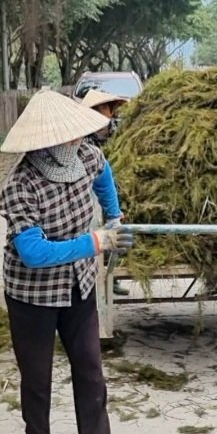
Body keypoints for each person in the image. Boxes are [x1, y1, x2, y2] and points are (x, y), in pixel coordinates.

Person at [0, 90, 134, 434]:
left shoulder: (87, 157)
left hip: (79, 284)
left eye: (77, 133)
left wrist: (114, 216)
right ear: (46, 141)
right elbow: (34, 253)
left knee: (90, 364)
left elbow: (103, 175)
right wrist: (96, 241)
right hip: (32, 294)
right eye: (67, 136)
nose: (76, 140)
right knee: (37, 374)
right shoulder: (21, 186)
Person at [81, 90, 130, 296]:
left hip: (110, 191)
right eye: (98, 111)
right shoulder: (83, 141)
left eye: (106, 111)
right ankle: (96, 278)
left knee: (114, 234)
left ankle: (112, 275)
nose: (103, 116)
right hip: (88, 195)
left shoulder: (116, 134)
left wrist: (114, 211)